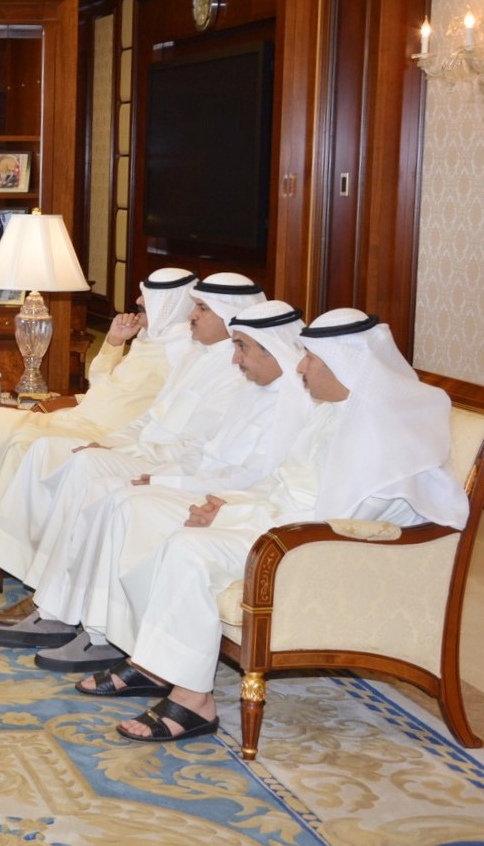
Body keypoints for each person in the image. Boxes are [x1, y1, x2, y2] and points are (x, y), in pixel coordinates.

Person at [84, 308, 469, 743]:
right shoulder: (334, 411)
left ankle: (193, 699)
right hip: (290, 529)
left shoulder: (384, 434)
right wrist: (226, 506)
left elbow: (334, 521)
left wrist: (228, 514)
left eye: (312, 359)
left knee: (189, 549)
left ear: (347, 365)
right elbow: (286, 489)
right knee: (166, 524)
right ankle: (158, 664)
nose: (300, 366)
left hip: (326, 550)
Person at [4, 300, 315, 671]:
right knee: (109, 492)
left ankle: (106, 636)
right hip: (197, 482)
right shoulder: (250, 386)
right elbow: (201, 448)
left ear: (274, 348)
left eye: (242, 347)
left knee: (123, 501)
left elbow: (253, 479)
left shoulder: (292, 405)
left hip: (227, 501)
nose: (235, 359)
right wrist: (162, 473)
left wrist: (171, 480)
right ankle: (68, 613)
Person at [0, 272, 265, 594]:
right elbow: (125, 400)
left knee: (37, 449)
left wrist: (117, 447)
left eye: (202, 308)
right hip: (104, 427)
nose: (139, 302)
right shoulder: (188, 352)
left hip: (142, 451)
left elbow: (192, 449)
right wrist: (113, 345)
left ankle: (27, 575)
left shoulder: (193, 354)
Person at [0, 269, 198, 554]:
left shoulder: (184, 351)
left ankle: (3, 546)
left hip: (103, 432)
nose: (138, 302)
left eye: (146, 300)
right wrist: (114, 342)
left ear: (170, 304)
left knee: (23, 443)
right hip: (79, 417)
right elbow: (103, 384)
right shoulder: (148, 338)